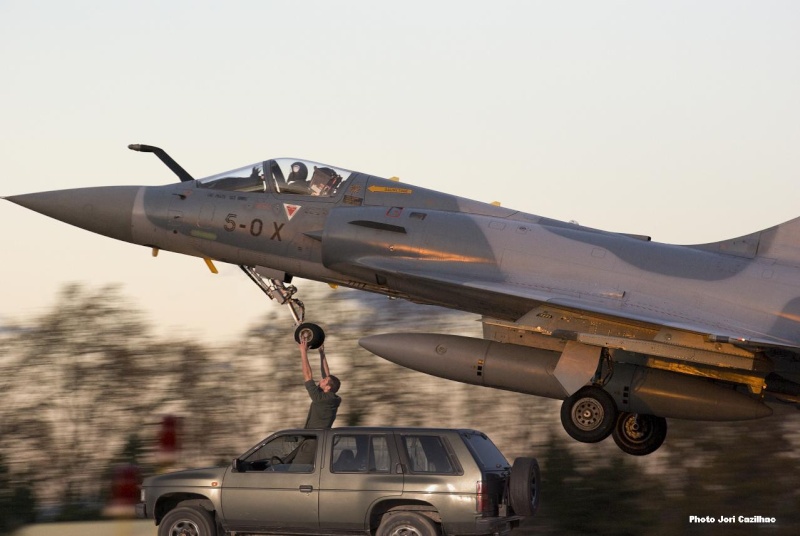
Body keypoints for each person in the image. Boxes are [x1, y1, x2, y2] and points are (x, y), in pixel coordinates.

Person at [299, 339, 341, 428]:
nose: (321, 380)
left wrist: (303, 352)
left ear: (328, 387)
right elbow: (326, 374)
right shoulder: (332, 398)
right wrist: (322, 353)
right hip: (319, 437)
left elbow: (308, 376)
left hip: (314, 438)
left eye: (324, 380)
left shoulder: (320, 398)